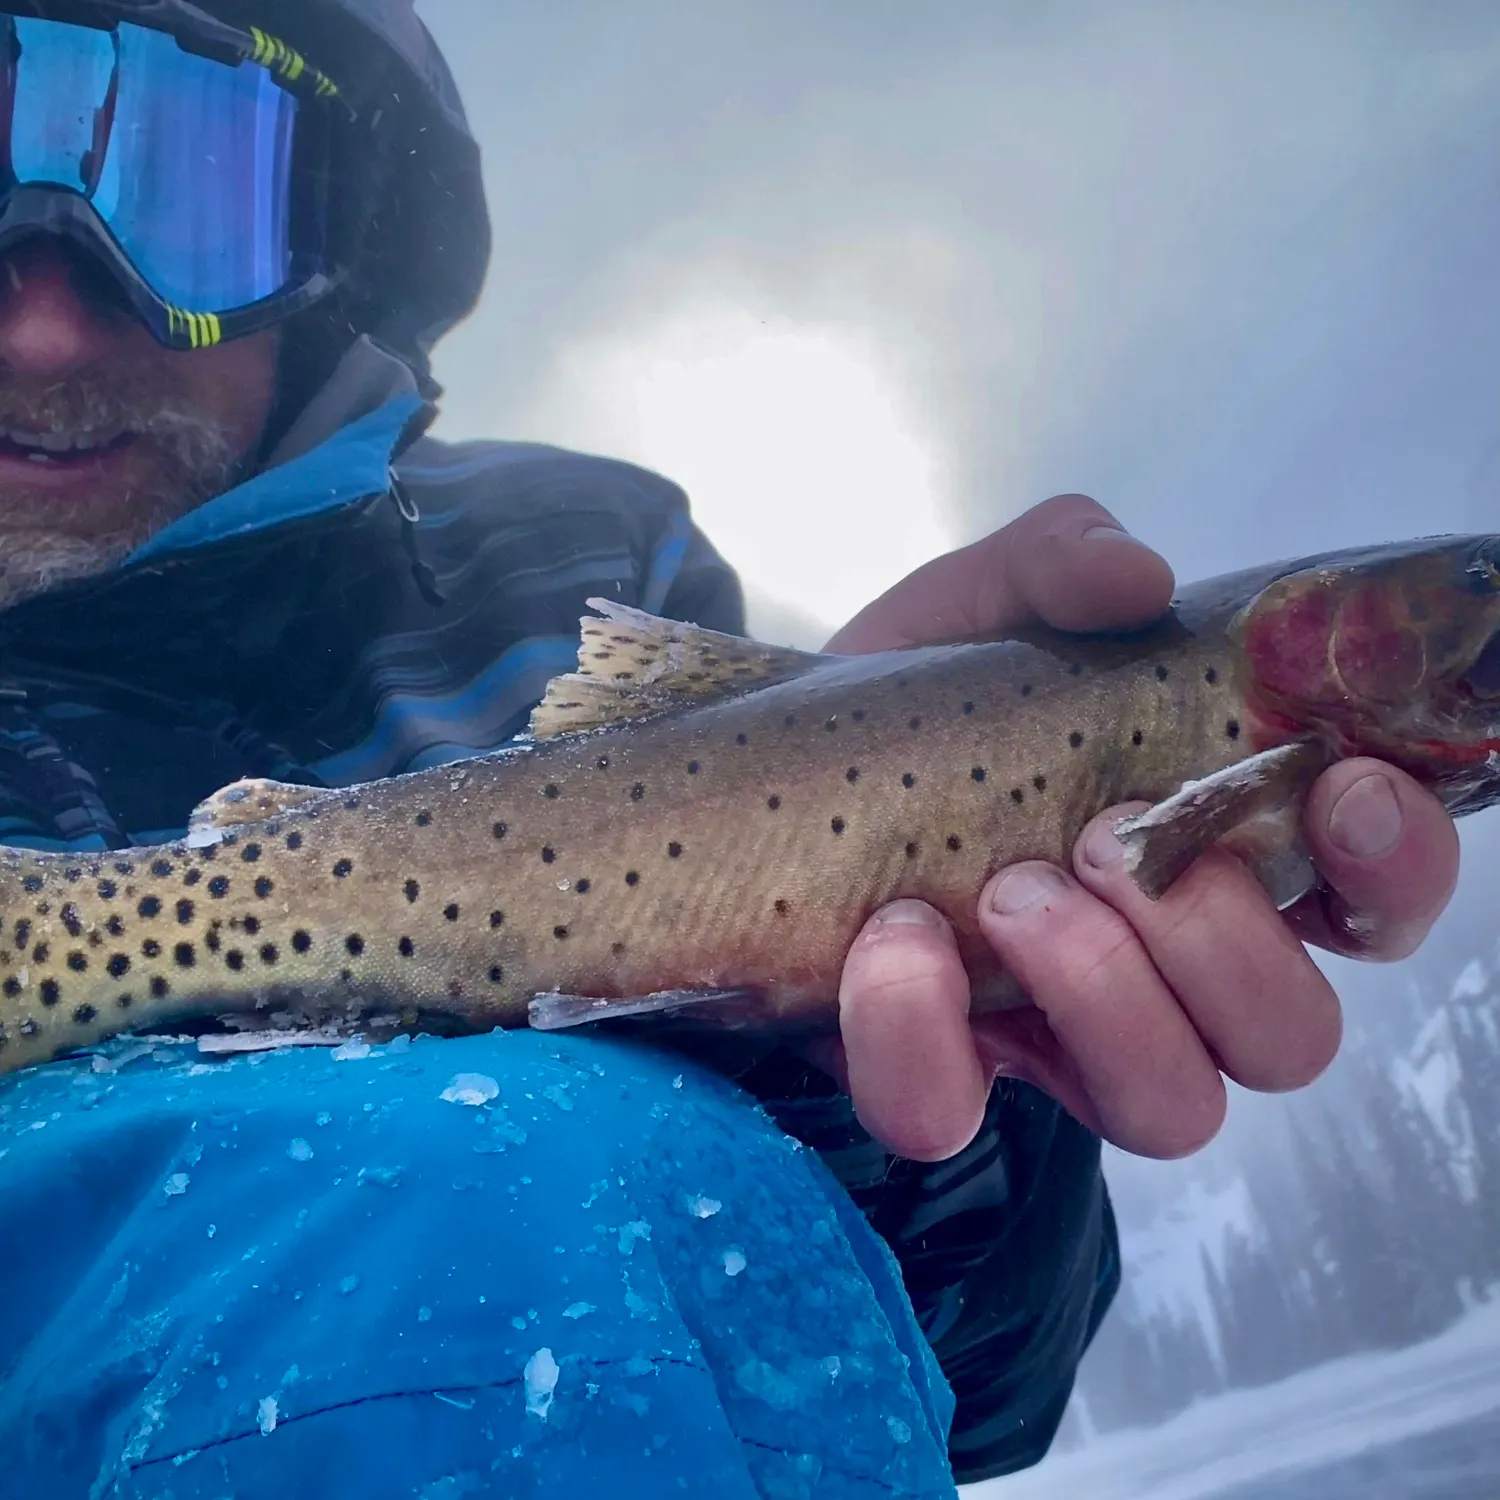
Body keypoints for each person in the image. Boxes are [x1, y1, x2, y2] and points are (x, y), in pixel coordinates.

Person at [0, 4, 1461, 1498]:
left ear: (335, 229)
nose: (49, 316)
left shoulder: (575, 560)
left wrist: (914, 1113)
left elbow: (973, 1396)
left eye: (182, 188)